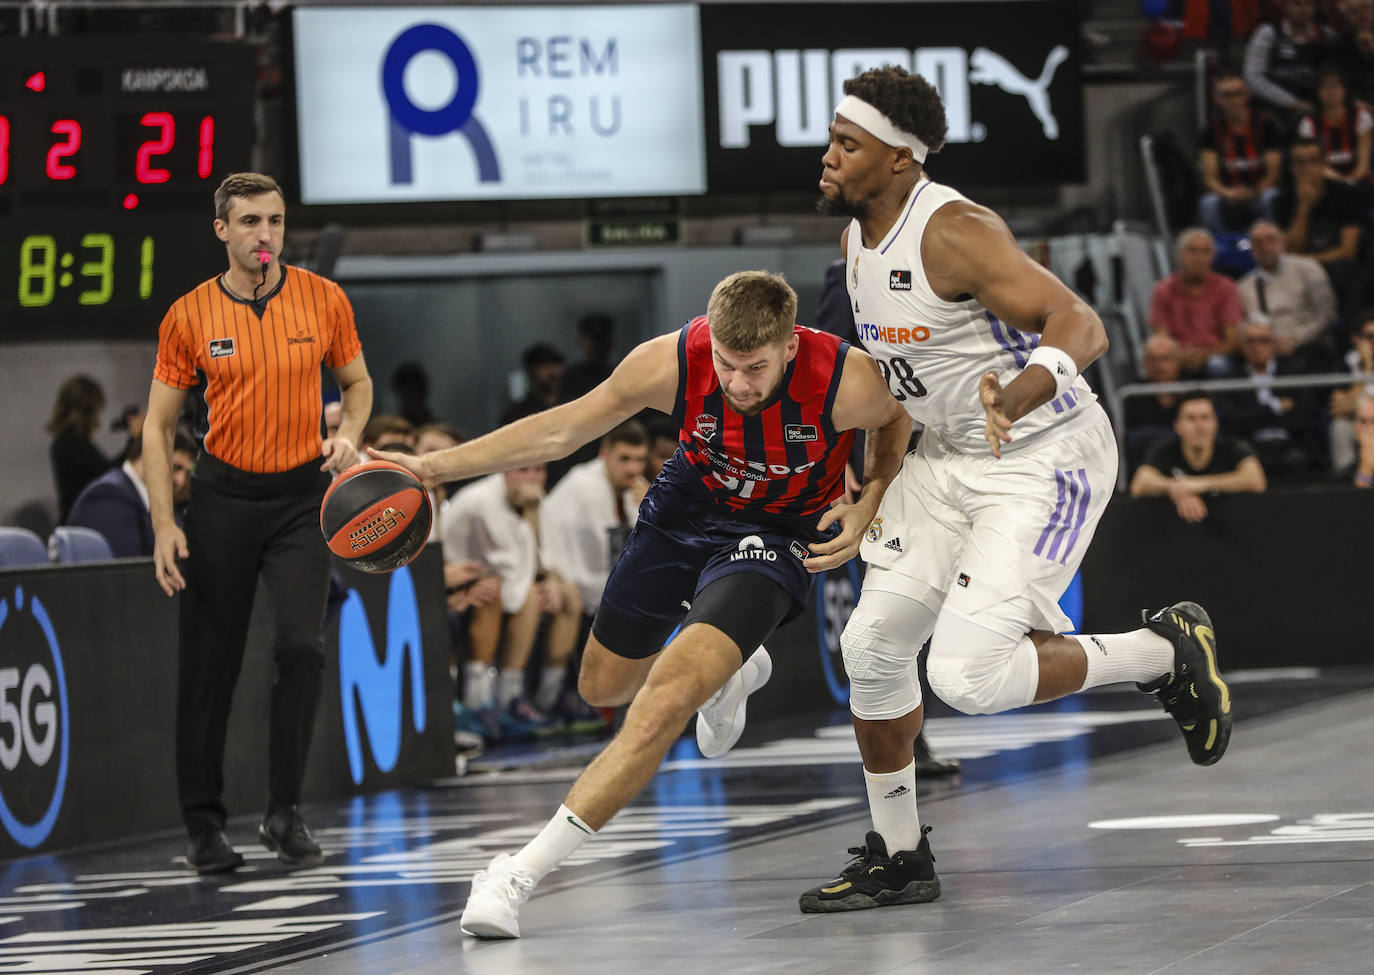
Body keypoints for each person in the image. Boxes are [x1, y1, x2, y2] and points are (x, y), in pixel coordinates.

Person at [800, 65, 1232, 914]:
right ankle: (899, 854)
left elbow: (1083, 322)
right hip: (944, 456)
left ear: (898, 160)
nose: (828, 156)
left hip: (1042, 450)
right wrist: (875, 485)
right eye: (833, 139)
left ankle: (1165, 653)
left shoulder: (955, 229)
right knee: (873, 649)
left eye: (847, 145)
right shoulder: (856, 241)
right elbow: (896, 390)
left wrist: (1020, 393)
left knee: (966, 675)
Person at [372, 269, 912, 937]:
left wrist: (871, 500)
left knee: (661, 702)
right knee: (605, 683)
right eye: (728, 364)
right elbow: (559, 432)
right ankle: (737, 668)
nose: (739, 383)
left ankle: (514, 873)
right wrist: (427, 470)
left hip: (775, 534)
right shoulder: (672, 362)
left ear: (789, 349)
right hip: (684, 509)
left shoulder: (844, 378)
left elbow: (897, 419)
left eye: (756, 368)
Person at [143, 172, 373, 875]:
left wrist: (351, 436)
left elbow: (357, 384)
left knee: (302, 646)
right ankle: (204, 825)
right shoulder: (188, 315)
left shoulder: (323, 298)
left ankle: (284, 810)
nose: (264, 234)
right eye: (249, 222)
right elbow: (156, 427)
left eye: (273, 221)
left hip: (302, 499)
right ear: (222, 230)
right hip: (222, 499)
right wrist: (163, 523)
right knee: (209, 667)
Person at [442, 463, 581, 738]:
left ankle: (545, 699)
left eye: (539, 471)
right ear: (504, 471)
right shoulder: (481, 502)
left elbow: (543, 560)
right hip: (454, 585)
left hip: (496, 582)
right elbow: (511, 569)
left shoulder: (539, 501)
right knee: (518, 596)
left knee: (568, 597)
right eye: (523, 470)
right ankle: (479, 703)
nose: (532, 479)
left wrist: (551, 583)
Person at [1130, 391, 1267, 521]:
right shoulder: (1165, 450)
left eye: (1205, 417)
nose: (1199, 426)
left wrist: (1200, 485)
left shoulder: (1232, 447)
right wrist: (1176, 489)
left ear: (1216, 423)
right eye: (1191, 418)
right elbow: (1140, 484)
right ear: (1177, 425)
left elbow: (1255, 480)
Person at [67, 429, 196, 557]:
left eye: (187, 473)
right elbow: (126, 573)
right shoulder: (109, 496)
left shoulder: (159, 505)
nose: (181, 480)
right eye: (176, 467)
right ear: (147, 454)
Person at [1237, 220, 1338, 368]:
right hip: (1264, 351)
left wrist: (1296, 340)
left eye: (1270, 239)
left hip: (1308, 345)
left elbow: (1326, 314)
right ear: (1252, 249)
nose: (1265, 246)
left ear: (1282, 242)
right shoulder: (1243, 287)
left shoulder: (1309, 269)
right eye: (1258, 242)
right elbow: (1242, 325)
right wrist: (1264, 343)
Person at [1197, 72, 1285, 235]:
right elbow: (1210, 177)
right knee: (1208, 203)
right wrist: (1227, 192)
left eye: (1238, 94)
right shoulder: (1211, 131)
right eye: (1227, 95)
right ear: (1217, 100)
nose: (1233, 100)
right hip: (1228, 193)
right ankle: (1219, 252)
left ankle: (1275, 246)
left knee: (1271, 197)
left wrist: (1255, 191)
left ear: (1247, 95)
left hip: (1260, 191)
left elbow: (1274, 172)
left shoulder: (1267, 125)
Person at [1243, 0, 1339, 122]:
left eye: (1308, 4)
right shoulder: (1268, 33)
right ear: (1285, 6)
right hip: (1272, 106)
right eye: (1296, 3)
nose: (1303, 10)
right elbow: (1253, 77)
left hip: (1314, 107)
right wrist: (1291, 102)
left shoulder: (1327, 36)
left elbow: (1335, 77)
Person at [47, 375, 113, 523]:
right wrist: (134, 441)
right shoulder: (71, 444)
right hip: (79, 526)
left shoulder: (65, 442)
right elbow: (110, 474)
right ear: (88, 411)